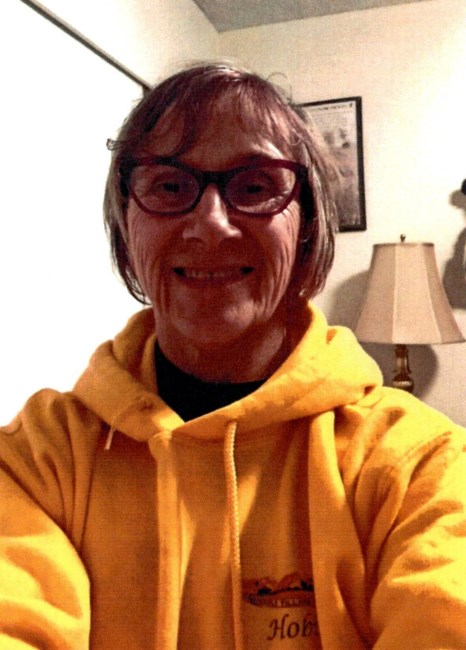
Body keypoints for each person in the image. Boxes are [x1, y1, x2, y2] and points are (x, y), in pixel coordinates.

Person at [0, 62, 465, 650]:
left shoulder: (420, 465)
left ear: (308, 226)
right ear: (125, 223)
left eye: (255, 186)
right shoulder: (38, 458)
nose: (211, 225)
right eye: (170, 186)